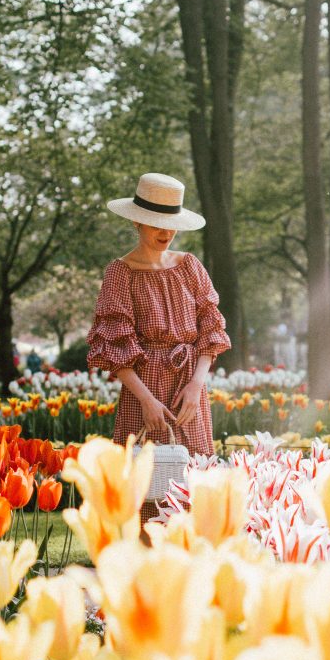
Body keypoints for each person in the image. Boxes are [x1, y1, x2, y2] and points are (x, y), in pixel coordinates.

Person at [87, 172, 230, 456]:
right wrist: (146, 400)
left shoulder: (190, 265)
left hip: (189, 385)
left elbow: (210, 329)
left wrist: (196, 385)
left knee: (192, 475)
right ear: (137, 220)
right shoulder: (120, 272)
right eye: (157, 225)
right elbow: (115, 345)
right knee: (146, 478)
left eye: (171, 225)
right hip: (144, 389)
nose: (166, 233)